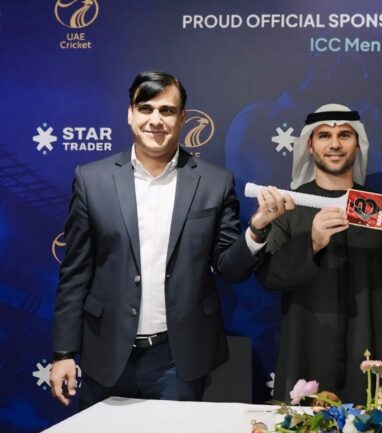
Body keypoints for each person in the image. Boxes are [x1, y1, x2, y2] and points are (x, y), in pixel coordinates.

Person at [49, 71, 292, 409]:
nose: (155, 120)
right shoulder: (92, 179)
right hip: (105, 351)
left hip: (178, 359)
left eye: (166, 110)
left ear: (182, 118)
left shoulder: (215, 182)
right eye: (145, 108)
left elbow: (229, 268)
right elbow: (75, 273)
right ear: (130, 114)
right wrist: (63, 352)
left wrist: (257, 228)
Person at [257, 103, 382, 404]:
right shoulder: (289, 206)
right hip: (307, 355)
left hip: (371, 357)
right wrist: (312, 243)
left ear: (357, 144)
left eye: (344, 135)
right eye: (324, 136)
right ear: (310, 144)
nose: (335, 144)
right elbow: (269, 275)